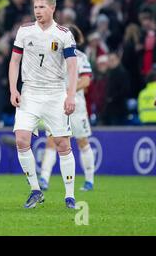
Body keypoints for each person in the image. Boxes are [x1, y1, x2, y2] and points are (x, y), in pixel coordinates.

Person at [8, 0, 78, 209]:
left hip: (55, 92)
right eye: (35, 7)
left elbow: (72, 66)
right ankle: (35, 190)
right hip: (30, 92)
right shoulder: (25, 31)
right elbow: (14, 62)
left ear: (52, 8)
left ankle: (69, 196)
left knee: (62, 144)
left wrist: (71, 95)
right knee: (21, 140)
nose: (37, 11)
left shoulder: (63, 34)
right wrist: (13, 89)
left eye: (41, 7)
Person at [39, 24, 96, 192]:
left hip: (76, 106)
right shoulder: (53, 57)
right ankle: (44, 179)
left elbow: (86, 81)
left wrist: (67, 91)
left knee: (82, 141)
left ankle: (89, 180)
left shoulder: (80, 57)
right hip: (56, 106)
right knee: (52, 140)